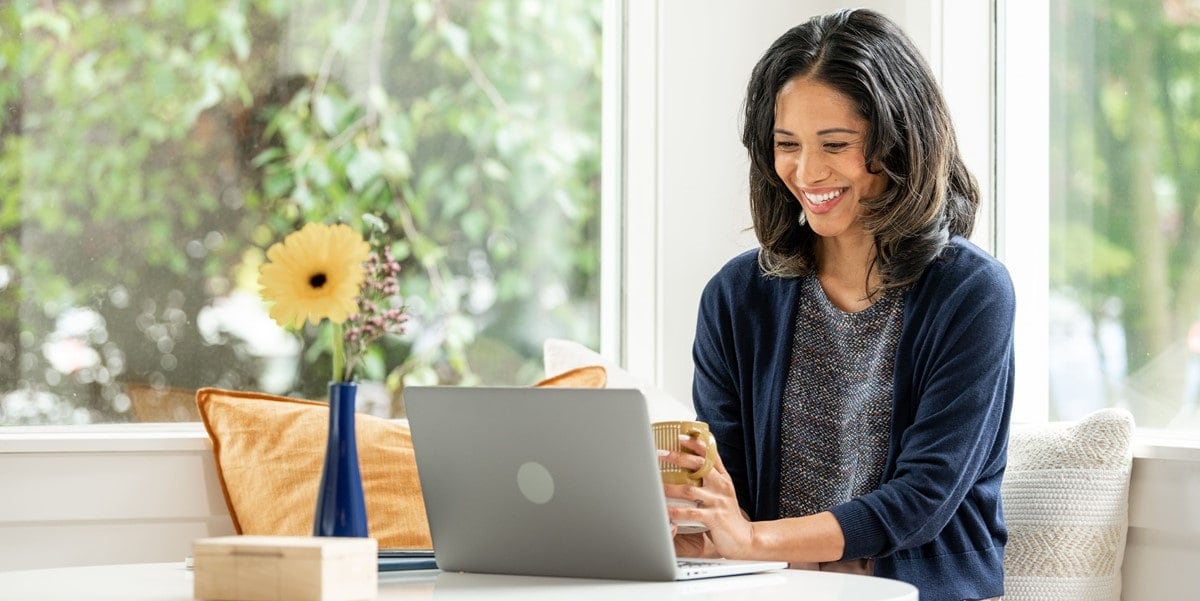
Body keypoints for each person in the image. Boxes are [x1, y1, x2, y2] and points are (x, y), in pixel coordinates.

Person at [658, 9, 1014, 601]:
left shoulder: (970, 293)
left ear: (899, 144)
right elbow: (735, 494)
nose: (807, 171)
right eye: (786, 144)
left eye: (836, 144)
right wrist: (700, 527)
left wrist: (749, 541)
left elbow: (921, 501)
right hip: (774, 589)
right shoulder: (734, 297)